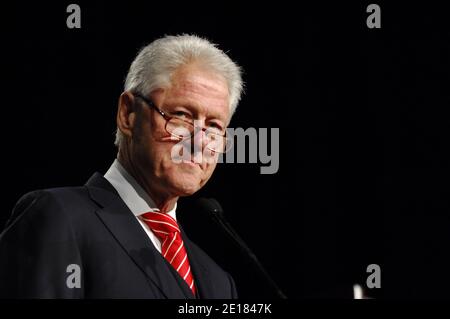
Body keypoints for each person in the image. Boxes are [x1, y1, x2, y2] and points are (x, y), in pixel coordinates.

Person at [0, 34, 244, 298]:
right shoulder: (60, 218)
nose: (198, 142)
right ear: (128, 114)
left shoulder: (219, 282)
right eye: (181, 116)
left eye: (214, 127)